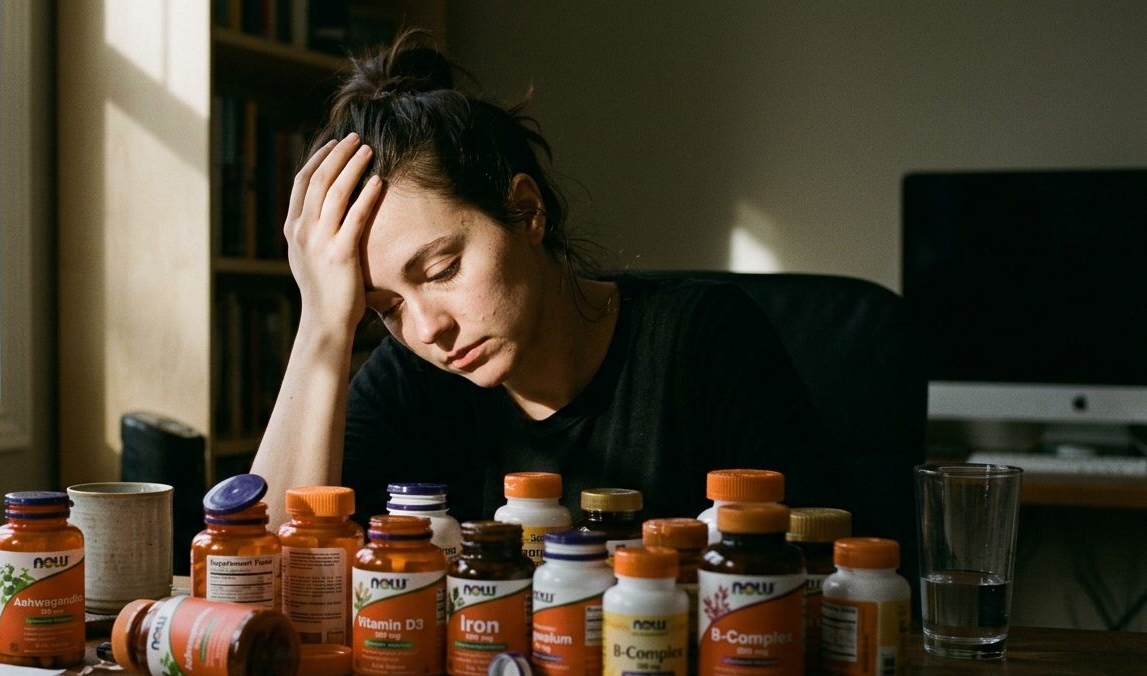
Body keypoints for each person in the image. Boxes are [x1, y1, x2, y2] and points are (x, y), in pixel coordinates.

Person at [251, 31, 855, 530]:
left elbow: (809, 567)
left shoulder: (703, 339)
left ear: (526, 211)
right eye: (385, 308)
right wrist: (322, 326)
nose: (428, 328)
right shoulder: (412, 381)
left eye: (441, 270)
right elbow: (264, 572)